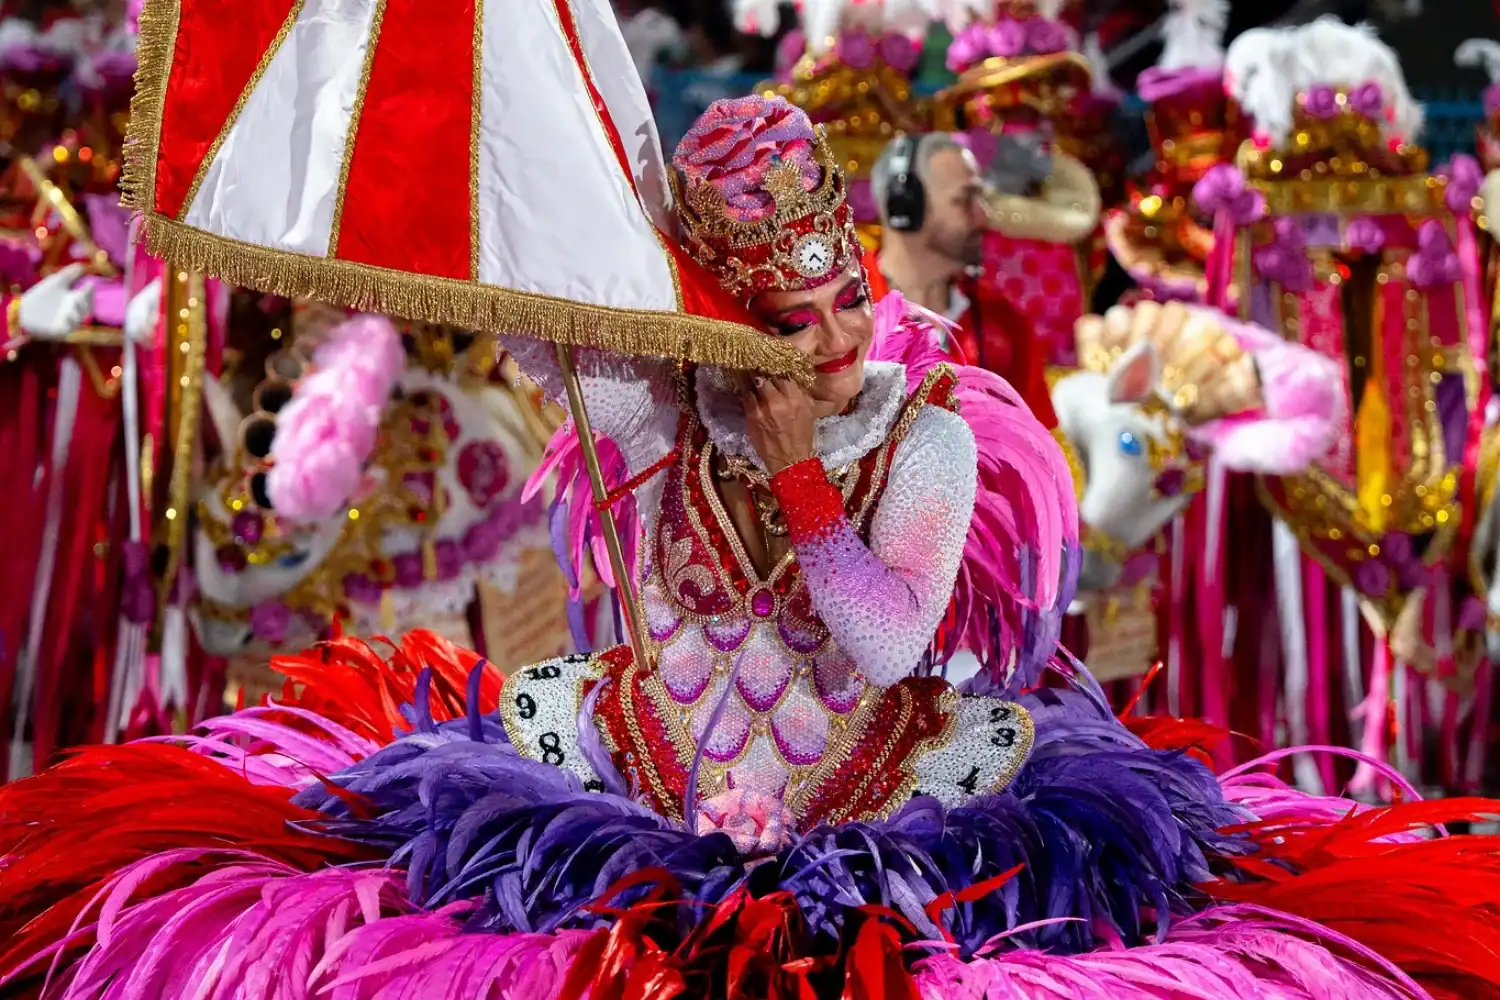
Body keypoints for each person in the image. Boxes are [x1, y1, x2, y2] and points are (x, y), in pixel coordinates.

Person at [4, 95, 1500, 1000]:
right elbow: (533, 306)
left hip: (888, 812)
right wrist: (514, 124)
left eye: (849, 295)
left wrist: (797, 475)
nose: (841, 338)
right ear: (722, 315)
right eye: (794, 318)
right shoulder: (660, 413)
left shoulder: (922, 436)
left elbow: (887, 639)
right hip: (644, 781)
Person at [867, 131, 1058, 426]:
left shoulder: (1004, 321)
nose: (984, 216)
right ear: (905, 209)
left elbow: (1042, 441)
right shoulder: (838, 316)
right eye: (965, 199)